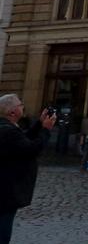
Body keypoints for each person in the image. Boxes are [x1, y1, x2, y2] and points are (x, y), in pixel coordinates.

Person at [0, 94, 56, 244]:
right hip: (6, 190)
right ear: (12, 112)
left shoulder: (7, 127)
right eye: (19, 105)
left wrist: (39, 124)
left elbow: (23, 140)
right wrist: (46, 130)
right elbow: (32, 148)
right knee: (3, 230)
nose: (22, 107)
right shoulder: (8, 131)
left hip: (5, 188)